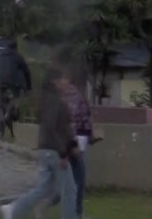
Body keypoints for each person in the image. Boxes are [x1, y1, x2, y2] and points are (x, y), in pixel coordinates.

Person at [0, 66, 78, 219]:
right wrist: (63, 153)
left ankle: (13, 209)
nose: (67, 82)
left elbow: (63, 128)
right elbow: (51, 127)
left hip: (46, 149)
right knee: (69, 189)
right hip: (54, 151)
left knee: (44, 189)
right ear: (55, 81)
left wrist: (72, 145)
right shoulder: (54, 101)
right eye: (64, 79)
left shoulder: (50, 99)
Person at [60, 78, 93, 219]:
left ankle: (74, 212)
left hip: (70, 141)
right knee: (79, 179)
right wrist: (89, 136)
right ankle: (77, 213)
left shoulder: (64, 97)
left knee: (71, 180)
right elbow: (83, 121)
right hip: (77, 141)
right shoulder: (77, 97)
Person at [0, 41, 33, 114]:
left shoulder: (0, 55)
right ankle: (9, 112)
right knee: (16, 96)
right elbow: (26, 71)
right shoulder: (18, 56)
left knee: (0, 93)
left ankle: (1, 108)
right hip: (12, 82)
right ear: (16, 48)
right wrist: (28, 87)